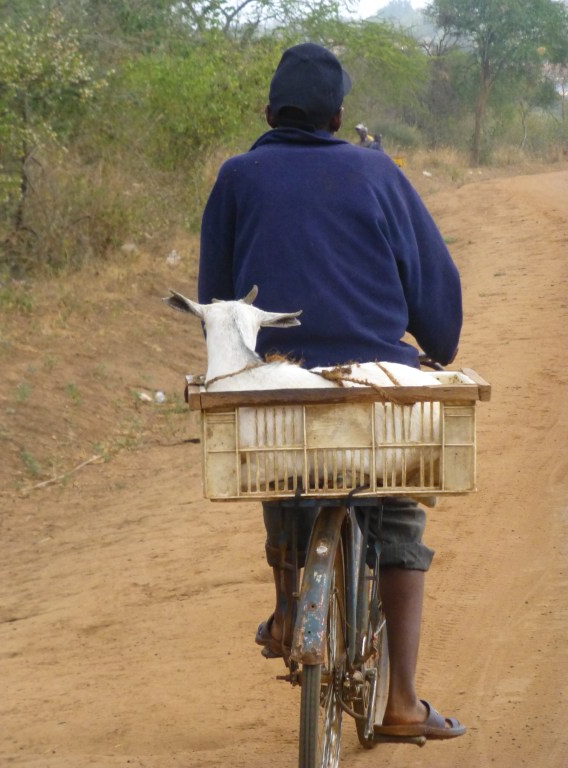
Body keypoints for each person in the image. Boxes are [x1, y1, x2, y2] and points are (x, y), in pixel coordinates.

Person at [198, 42, 465, 740]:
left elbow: (216, 302)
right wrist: (438, 346)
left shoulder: (237, 177)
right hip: (373, 380)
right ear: (340, 115)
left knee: (280, 459)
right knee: (399, 514)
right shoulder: (377, 171)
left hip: (280, 376)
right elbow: (432, 282)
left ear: (268, 111)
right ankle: (402, 701)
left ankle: (289, 610)